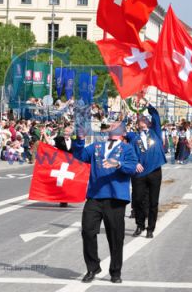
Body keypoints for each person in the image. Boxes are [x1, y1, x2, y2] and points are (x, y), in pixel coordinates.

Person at [72, 122, 137, 284]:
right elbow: (79, 156)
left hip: (116, 198)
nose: (113, 125)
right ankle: (93, 267)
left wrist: (119, 164)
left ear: (122, 131)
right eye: (111, 124)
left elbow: (132, 167)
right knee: (87, 231)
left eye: (116, 124)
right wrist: (79, 139)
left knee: (115, 237)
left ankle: (115, 271)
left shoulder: (127, 148)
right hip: (95, 196)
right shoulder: (97, 146)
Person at [127, 103, 167, 239]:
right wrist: (135, 163)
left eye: (145, 119)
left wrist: (147, 105)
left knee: (153, 201)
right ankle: (140, 225)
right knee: (138, 200)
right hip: (139, 173)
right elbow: (130, 153)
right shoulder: (134, 138)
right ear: (138, 125)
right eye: (140, 120)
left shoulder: (155, 131)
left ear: (149, 123)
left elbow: (155, 115)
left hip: (155, 171)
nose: (142, 121)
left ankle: (150, 228)